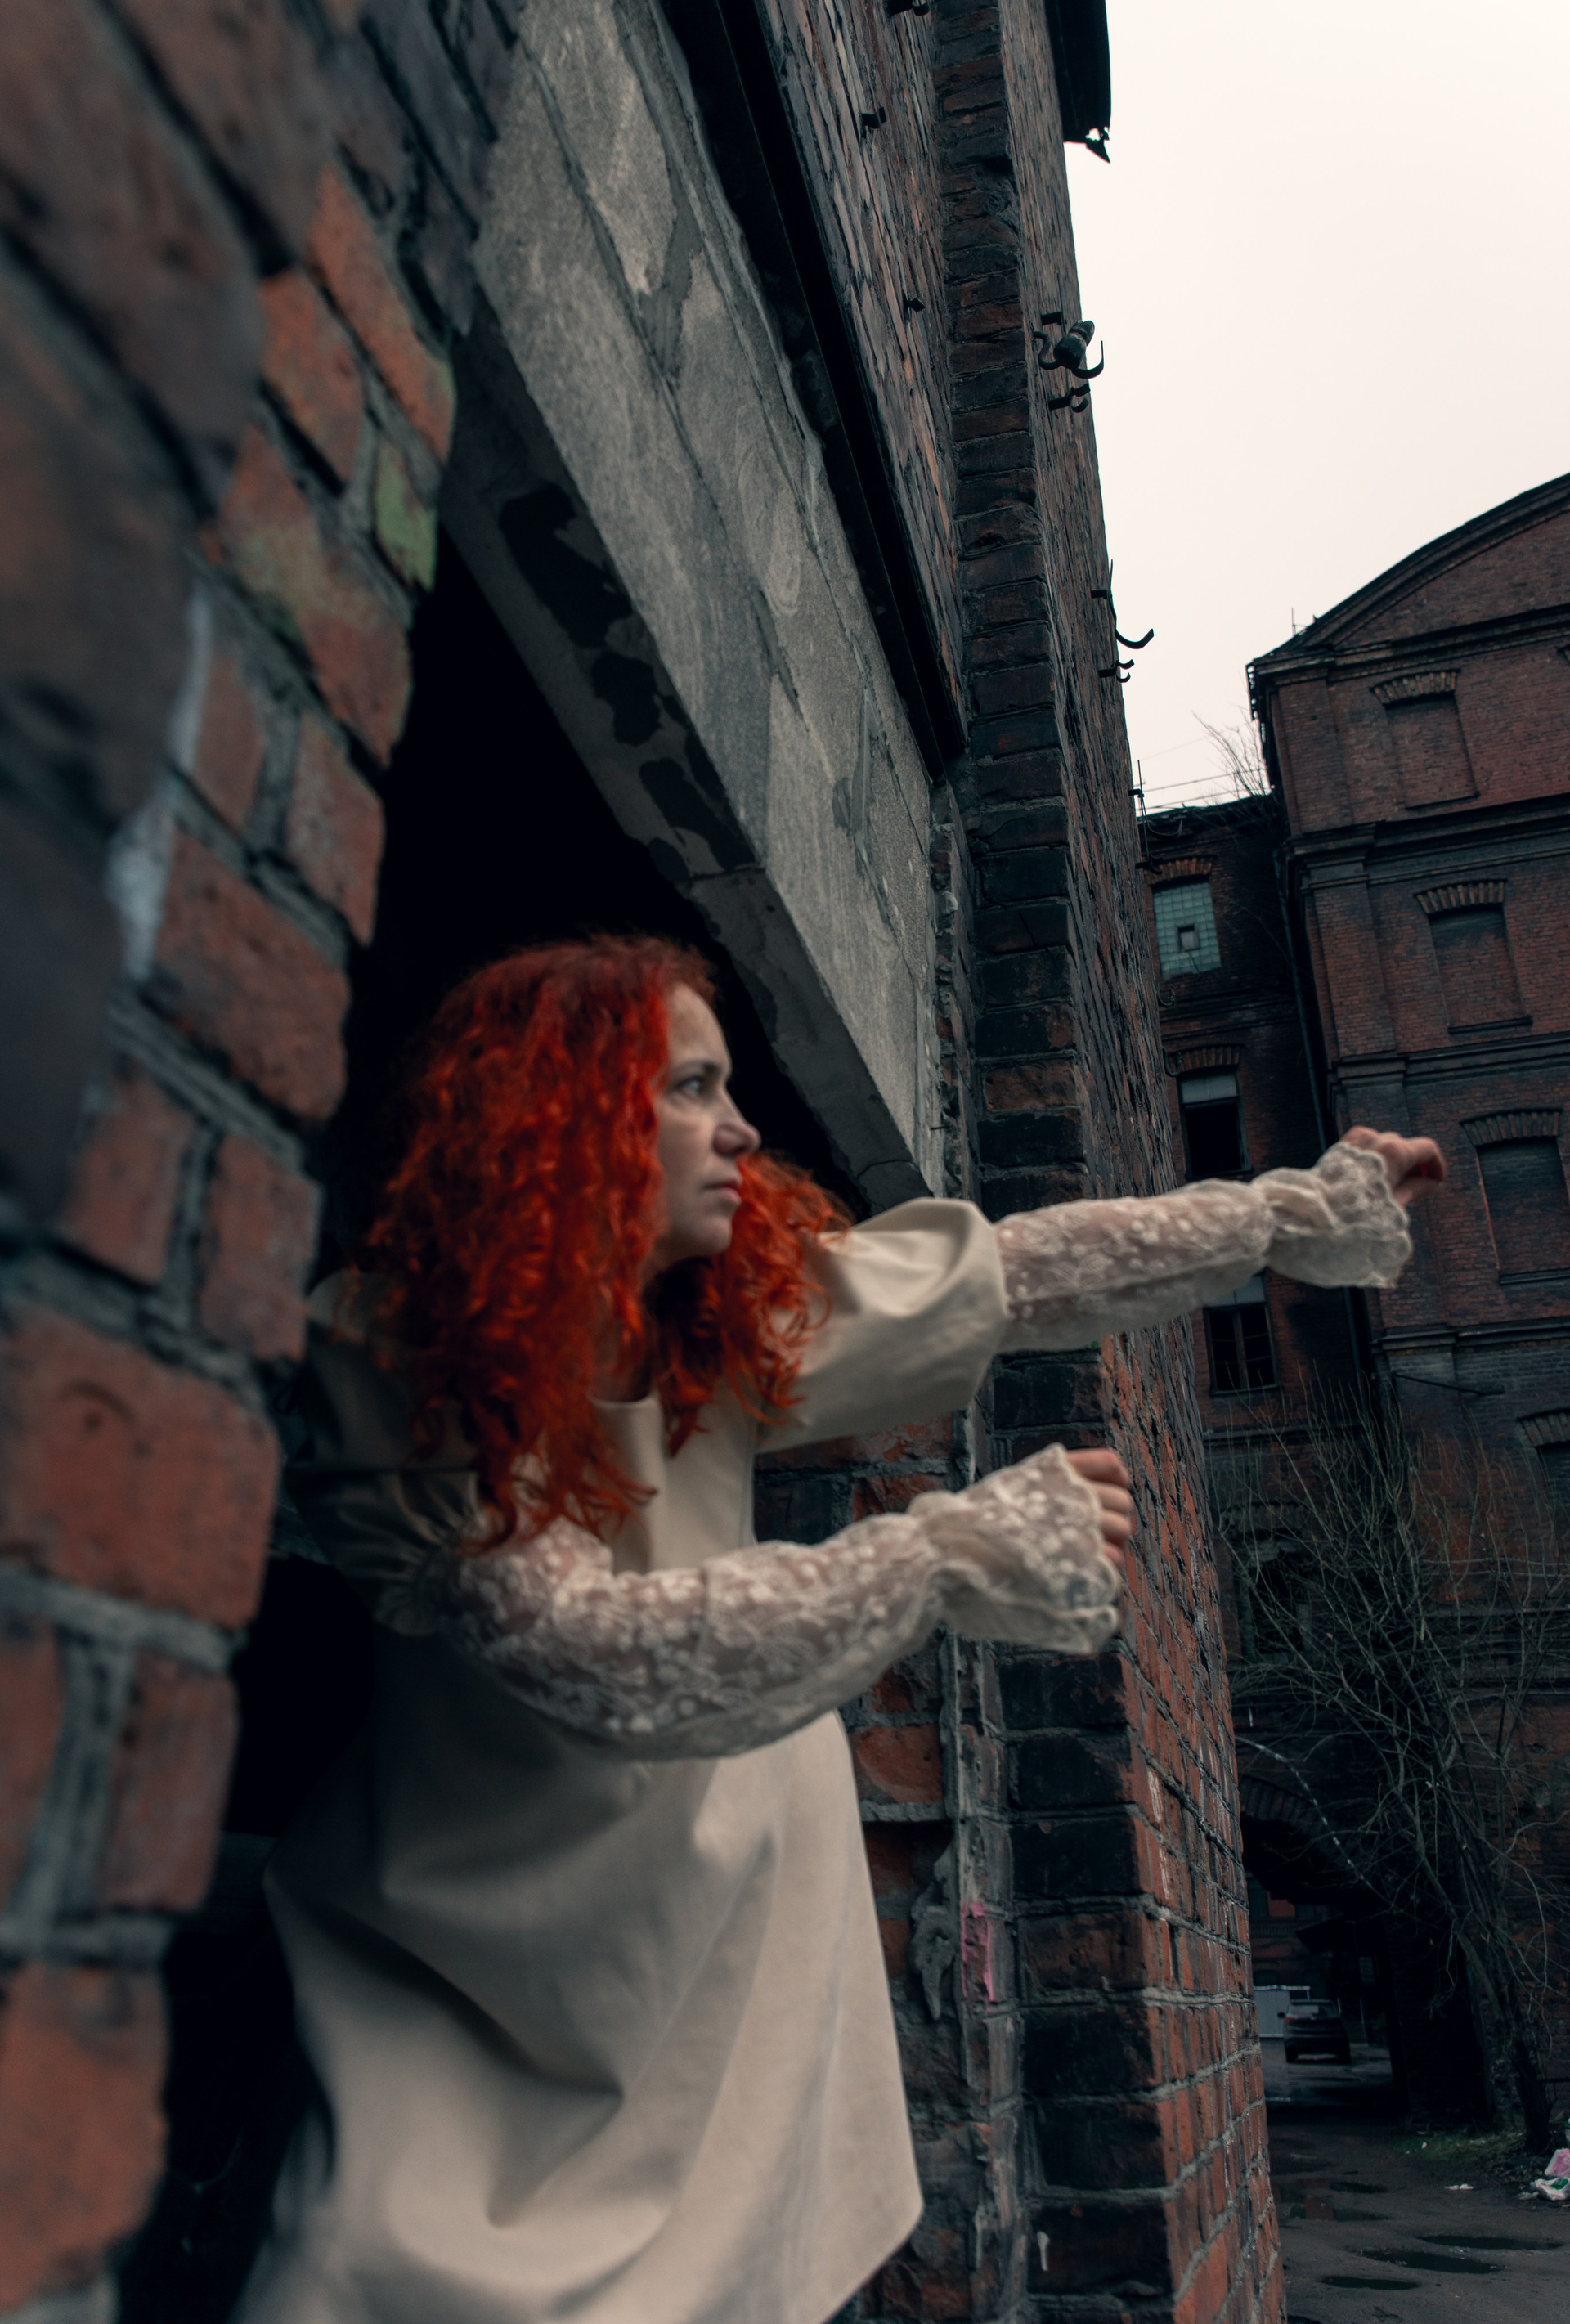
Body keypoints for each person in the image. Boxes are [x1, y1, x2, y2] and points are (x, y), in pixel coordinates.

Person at [237, 936, 1442, 2324]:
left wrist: (1293, 1211)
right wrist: (941, 1550)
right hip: (482, 1972)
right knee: (350, 2276)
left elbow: (1020, 1274)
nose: (741, 1128)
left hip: (723, 1965)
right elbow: (580, 1652)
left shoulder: (715, 1317)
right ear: (562, 1110)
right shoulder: (396, 1347)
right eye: (692, 1086)